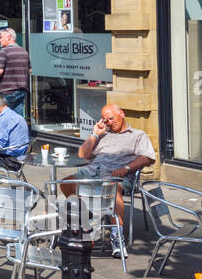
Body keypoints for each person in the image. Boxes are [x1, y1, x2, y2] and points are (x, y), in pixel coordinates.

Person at [61, 103, 156, 255]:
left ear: (122, 114)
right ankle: (87, 221)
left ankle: (117, 235)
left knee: (112, 189)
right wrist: (95, 134)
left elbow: (147, 158)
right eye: (105, 120)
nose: (109, 123)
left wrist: (126, 169)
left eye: (111, 118)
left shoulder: (137, 135)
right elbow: (83, 155)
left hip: (117, 175)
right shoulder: (103, 135)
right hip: (92, 172)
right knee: (66, 183)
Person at [0, 27, 31, 121]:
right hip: (21, 91)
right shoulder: (23, 51)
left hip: (6, 91)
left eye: (1, 37)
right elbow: (29, 70)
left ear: (9, 37)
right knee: (17, 117)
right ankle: (17, 135)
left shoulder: (4, 51)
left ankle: (0, 135)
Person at [0, 94, 30, 160]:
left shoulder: (3, 118)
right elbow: (11, 137)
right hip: (22, 155)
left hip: (10, 158)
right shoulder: (17, 116)